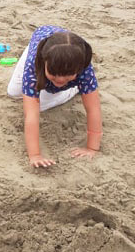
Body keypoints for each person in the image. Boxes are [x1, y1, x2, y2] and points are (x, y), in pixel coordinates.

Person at [7, 25, 102, 168]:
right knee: (13, 92)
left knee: (42, 105)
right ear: (44, 63)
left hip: (72, 54)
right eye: (54, 74)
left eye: (67, 76)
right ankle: (68, 85)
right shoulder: (34, 65)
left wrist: (91, 148)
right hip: (41, 47)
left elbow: (93, 109)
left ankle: (74, 89)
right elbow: (31, 115)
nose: (60, 80)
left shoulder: (84, 70)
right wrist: (35, 155)